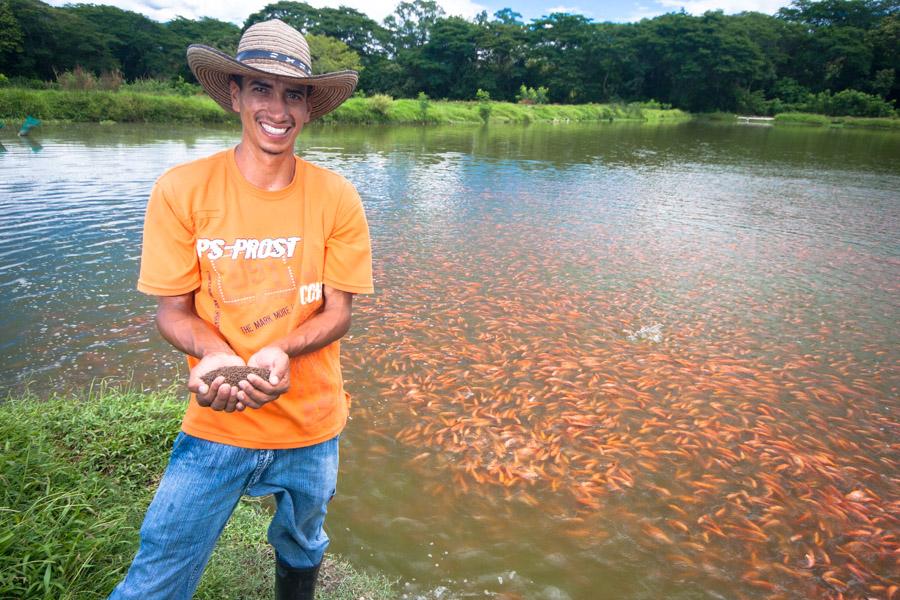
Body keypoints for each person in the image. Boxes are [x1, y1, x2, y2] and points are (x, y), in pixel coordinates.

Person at [109, 19, 373, 600]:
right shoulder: (182, 189)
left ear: (308, 108)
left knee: (304, 542)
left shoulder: (337, 196)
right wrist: (216, 352)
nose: (277, 108)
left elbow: (338, 314)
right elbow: (173, 312)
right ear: (234, 94)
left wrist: (283, 348)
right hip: (216, 423)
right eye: (260, 88)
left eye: (294, 93)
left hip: (312, 425)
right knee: (158, 572)